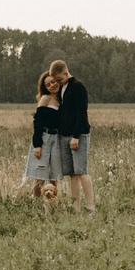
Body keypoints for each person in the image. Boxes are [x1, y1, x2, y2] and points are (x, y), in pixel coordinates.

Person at [47, 59, 93, 214]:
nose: (57, 83)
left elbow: (82, 114)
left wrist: (76, 136)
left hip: (78, 135)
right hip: (63, 136)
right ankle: (76, 207)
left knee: (81, 171)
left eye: (59, 79)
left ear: (66, 73)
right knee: (72, 174)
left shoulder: (78, 87)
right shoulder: (62, 88)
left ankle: (90, 208)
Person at [24, 71, 62, 210]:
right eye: (48, 84)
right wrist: (37, 144)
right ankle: (35, 205)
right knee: (39, 176)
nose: (52, 85)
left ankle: (53, 206)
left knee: (54, 176)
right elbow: (38, 122)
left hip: (58, 139)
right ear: (45, 87)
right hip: (45, 138)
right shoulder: (45, 99)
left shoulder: (62, 99)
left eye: (53, 82)